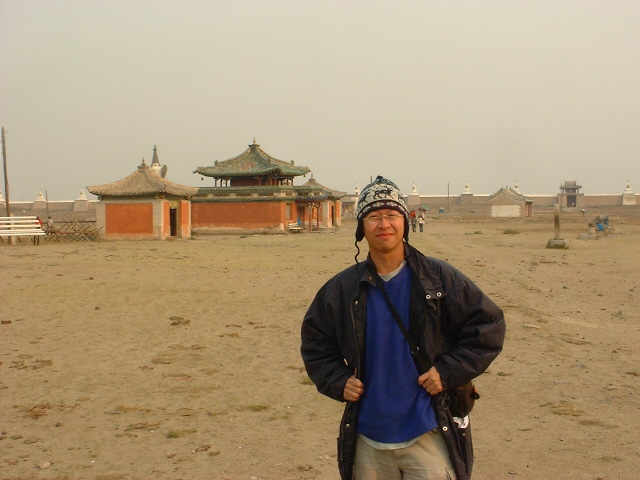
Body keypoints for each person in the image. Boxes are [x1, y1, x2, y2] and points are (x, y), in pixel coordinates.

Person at [301, 175, 505, 480]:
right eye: (373, 216)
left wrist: (446, 372)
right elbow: (315, 342)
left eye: (391, 214)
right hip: (368, 435)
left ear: (405, 222)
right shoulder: (342, 288)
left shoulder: (438, 278)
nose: (384, 224)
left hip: (428, 429)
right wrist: (336, 380)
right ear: (361, 227)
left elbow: (488, 326)